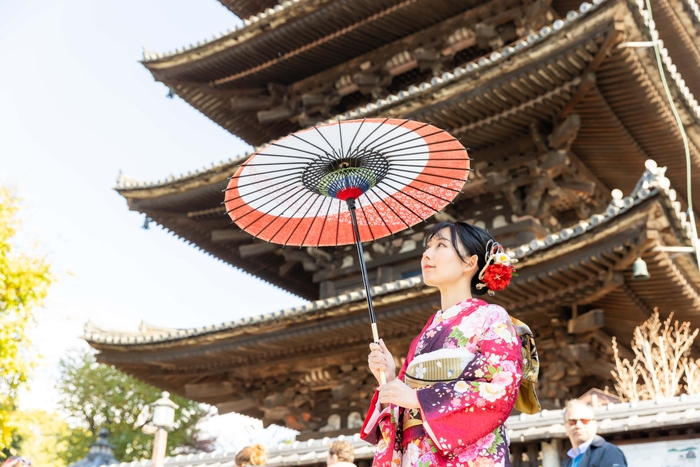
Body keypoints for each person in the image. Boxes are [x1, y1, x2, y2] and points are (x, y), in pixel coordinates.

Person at [362, 221, 523, 467]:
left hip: (467, 455)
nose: (427, 254)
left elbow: (502, 388)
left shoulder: (491, 317)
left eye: (440, 245)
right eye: (427, 247)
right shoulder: (425, 335)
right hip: (416, 454)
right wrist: (390, 379)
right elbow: (403, 402)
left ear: (470, 263)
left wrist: (420, 399)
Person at [562, 400, 627, 467]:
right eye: (572, 422)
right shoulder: (568, 462)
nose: (578, 426)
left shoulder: (609, 452)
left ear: (595, 425)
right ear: (565, 427)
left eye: (585, 421)